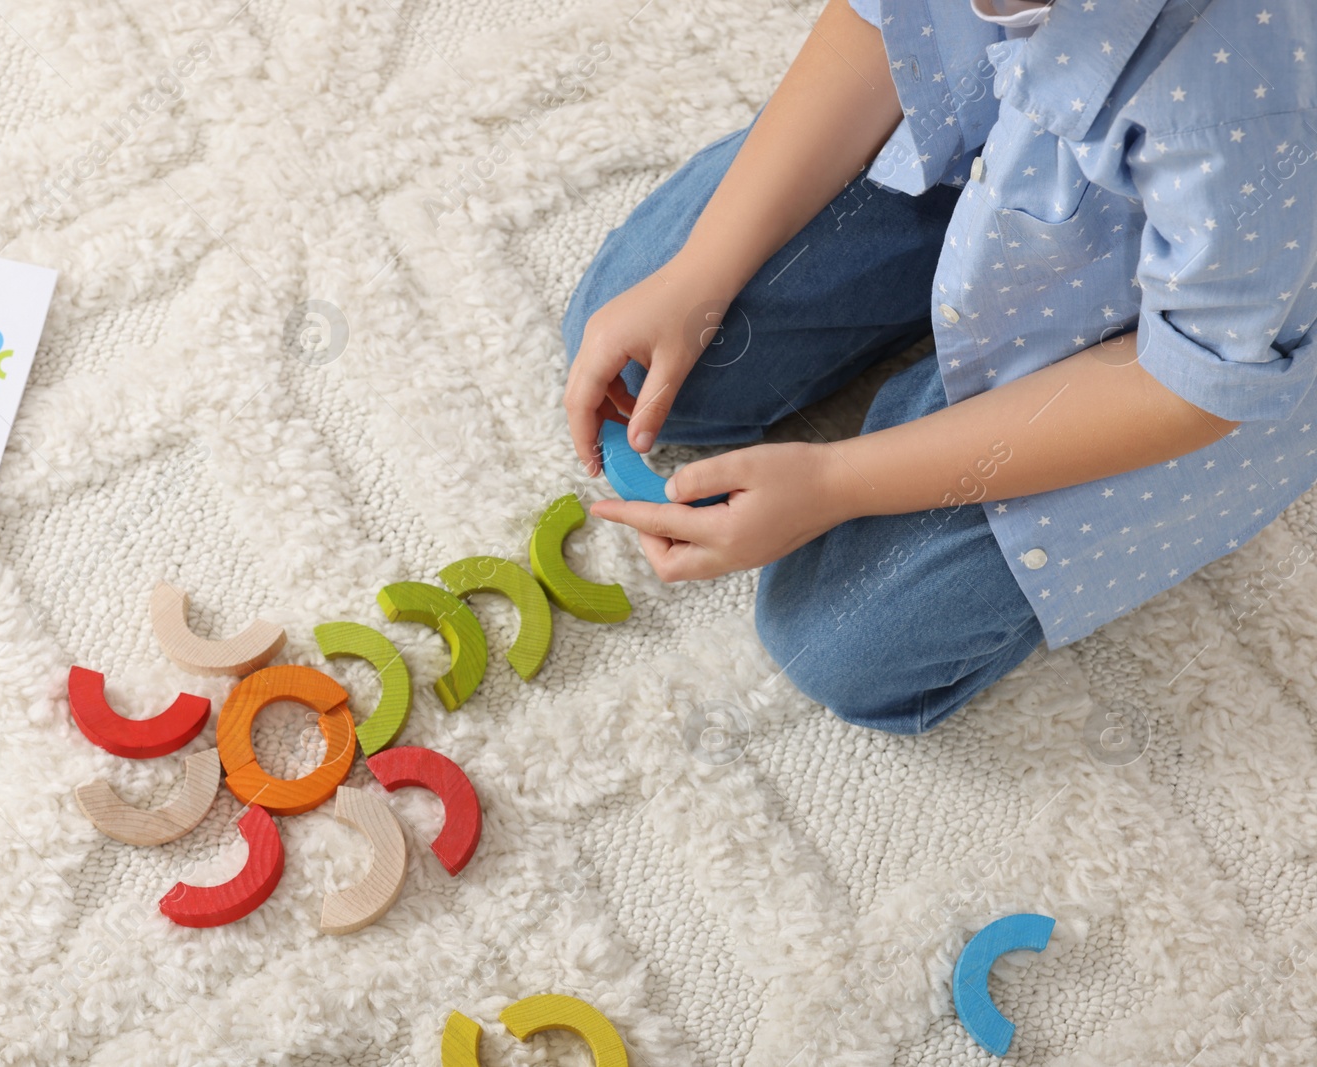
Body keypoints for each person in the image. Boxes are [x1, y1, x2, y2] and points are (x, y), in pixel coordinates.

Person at [560, 0, 1317, 734]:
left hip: (1207, 322)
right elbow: (885, 21)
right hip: (1017, 139)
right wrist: (702, 272)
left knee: (843, 636)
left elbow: (1187, 387)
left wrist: (836, 483)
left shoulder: (1241, 106)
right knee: (633, 331)